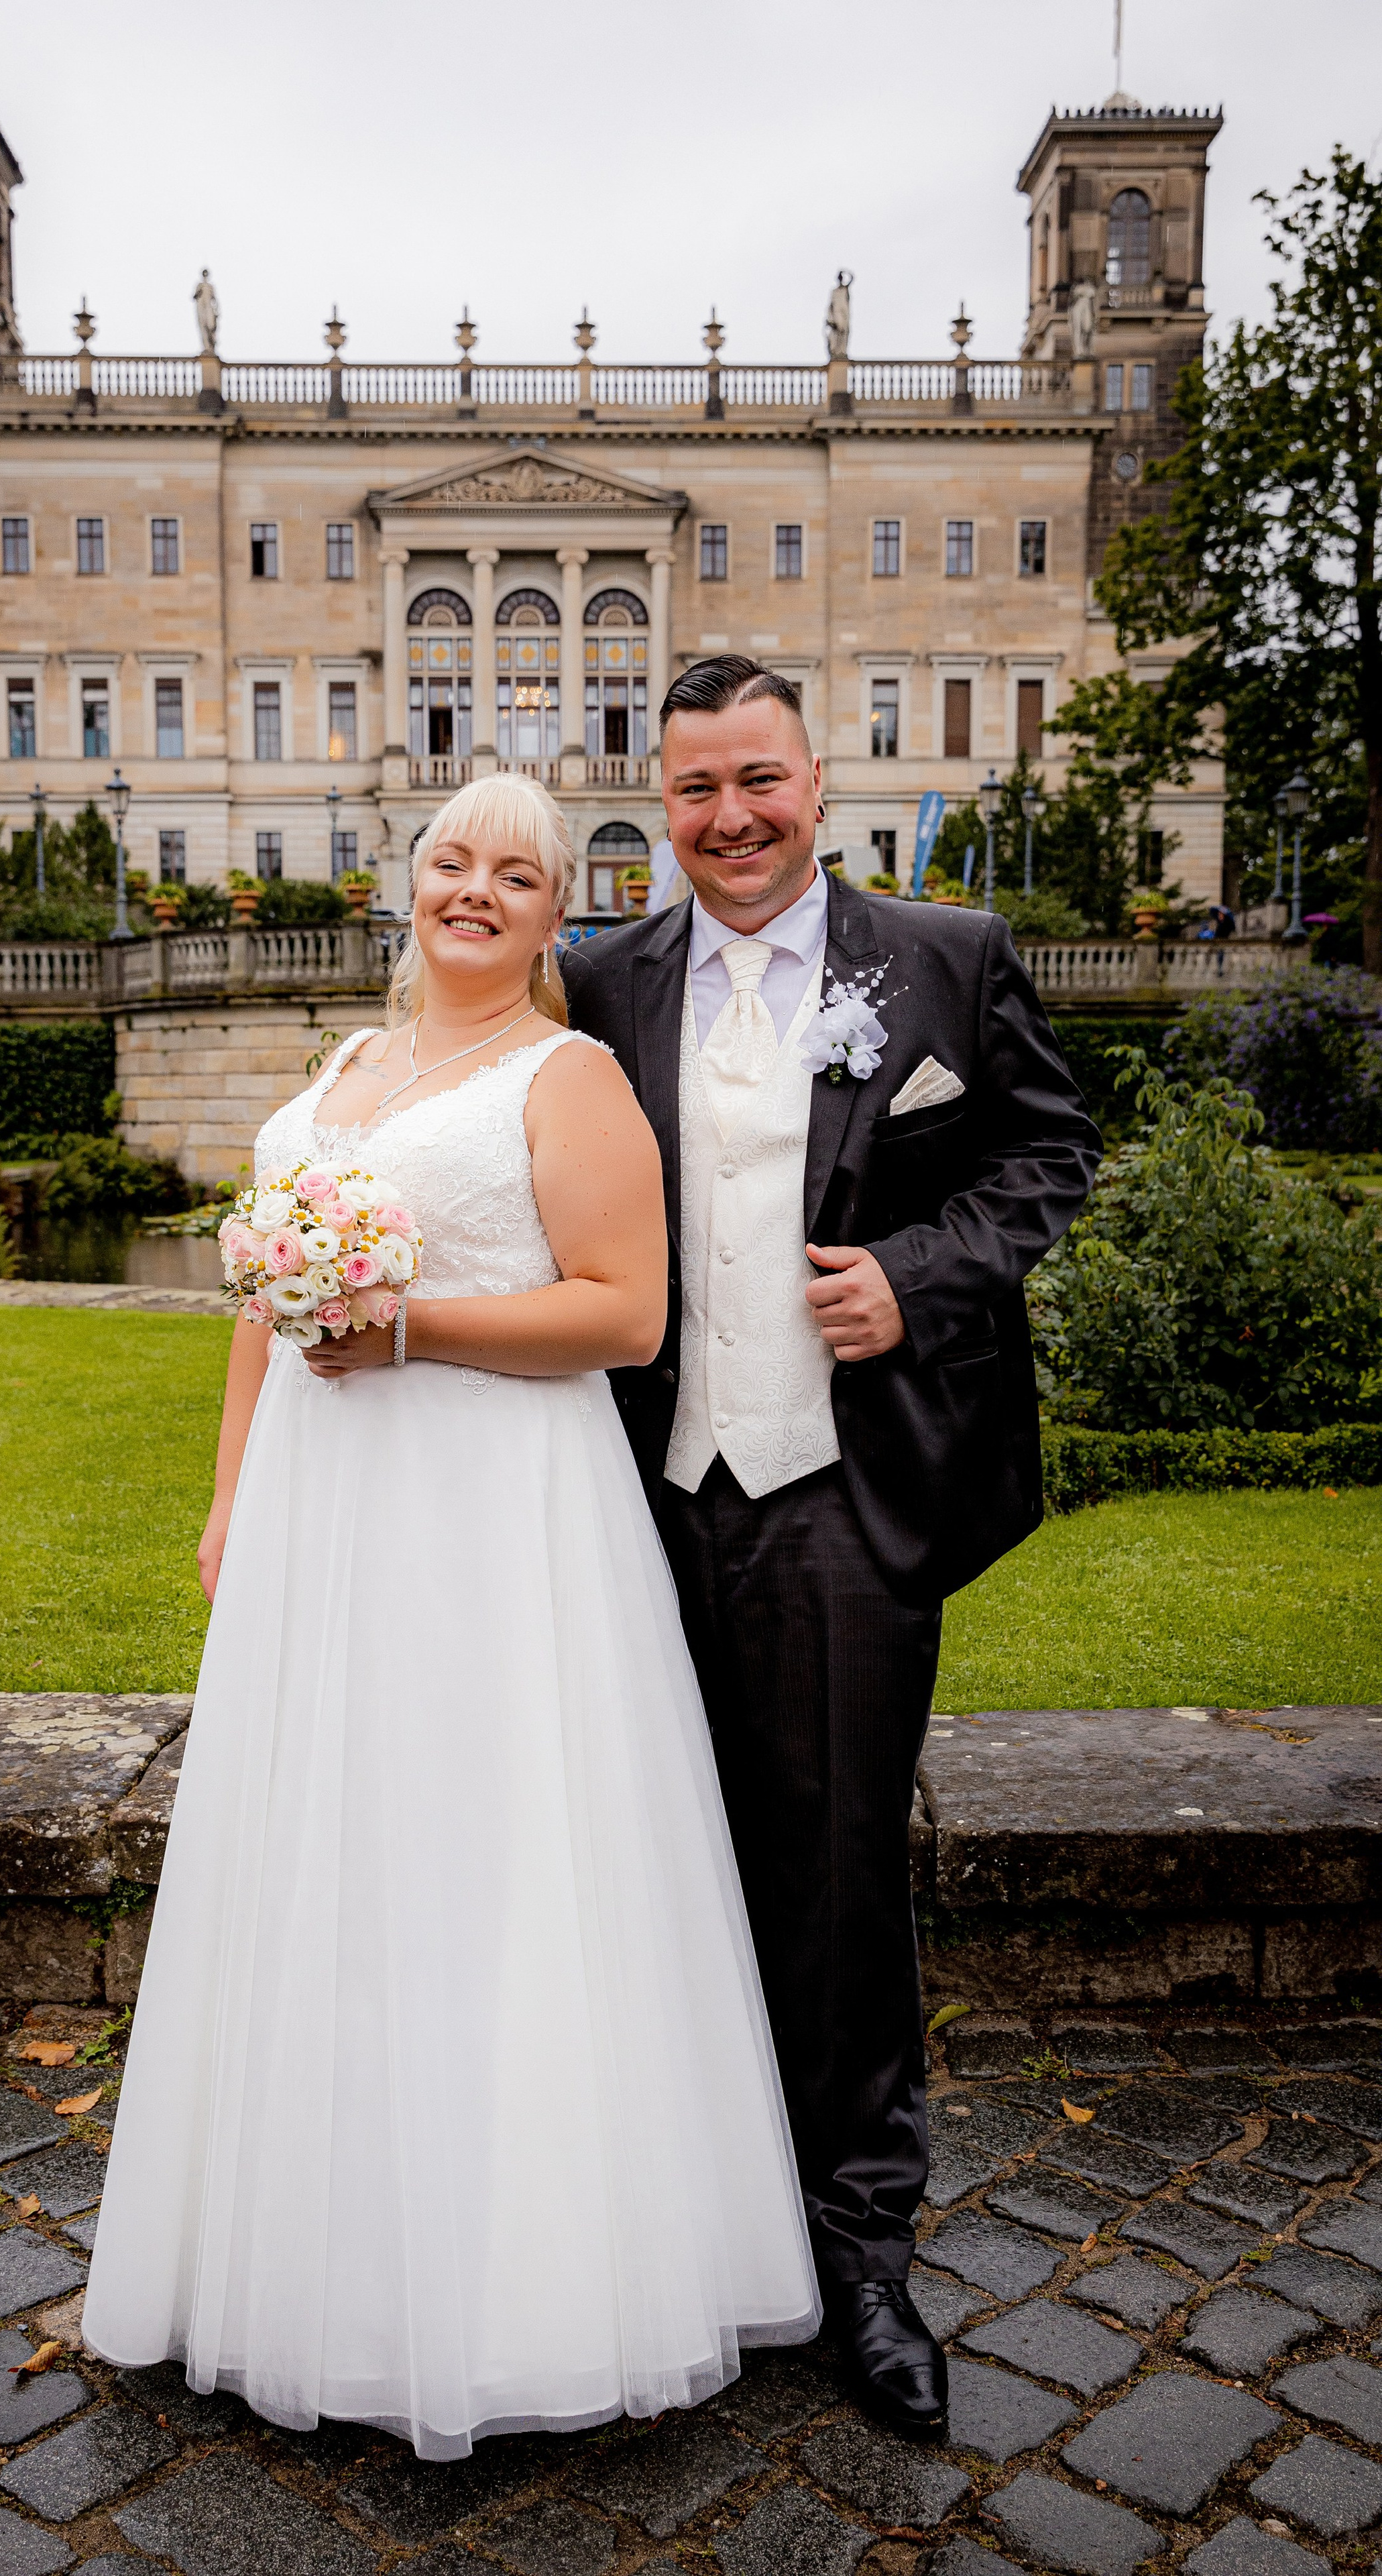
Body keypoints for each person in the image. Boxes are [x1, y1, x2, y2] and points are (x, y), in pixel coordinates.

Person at [82, 773, 819, 2460]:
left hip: (497, 1522)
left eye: (515, 874)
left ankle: (522, 2287)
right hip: (320, 1522)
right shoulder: (347, 1065)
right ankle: (305, 2264)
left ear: (561, 913)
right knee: (326, 1858)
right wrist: (228, 1493)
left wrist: (411, 1329)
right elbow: (266, 1304)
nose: (472, 891)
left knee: (488, 1861)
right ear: (402, 879)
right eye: (449, 862)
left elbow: (625, 1317)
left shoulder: (568, 1081)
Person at [563, 657, 1100, 2435]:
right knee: (655, 1866)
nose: (729, 817)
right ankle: (688, 2233)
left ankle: (861, 2251)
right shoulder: (597, 978)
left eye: (759, 779)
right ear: (660, 796)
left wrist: (923, 1273)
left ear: (821, 776)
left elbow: (1047, 1148)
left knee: (845, 1874)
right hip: (635, 1498)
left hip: (846, 1494)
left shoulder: (946, 960)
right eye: (696, 786)